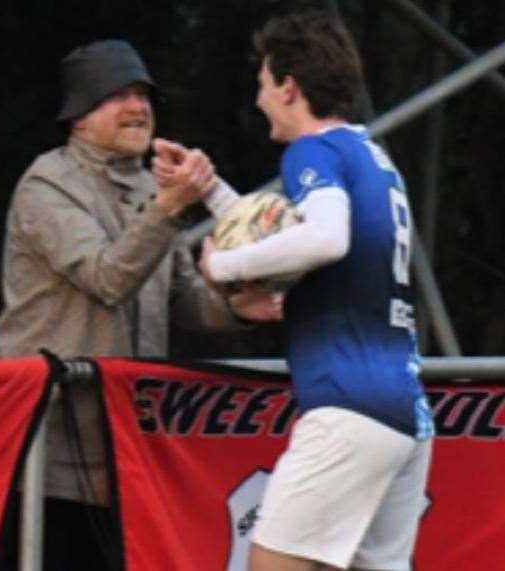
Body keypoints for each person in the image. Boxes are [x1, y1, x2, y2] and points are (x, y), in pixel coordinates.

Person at [156, 7, 435, 571]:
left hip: (348, 407)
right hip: (406, 412)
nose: (258, 99)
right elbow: (303, 240)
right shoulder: (370, 156)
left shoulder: (314, 150)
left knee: (273, 564)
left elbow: (326, 239)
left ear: (288, 87)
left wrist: (224, 267)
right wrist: (210, 191)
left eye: (262, 84)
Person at [0, 38, 280, 570]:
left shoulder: (150, 187)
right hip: (50, 452)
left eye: (143, 94)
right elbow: (107, 278)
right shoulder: (47, 185)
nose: (138, 107)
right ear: (78, 118)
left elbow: (184, 304)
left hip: (129, 448)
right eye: (116, 95)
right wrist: (170, 206)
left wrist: (238, 307)